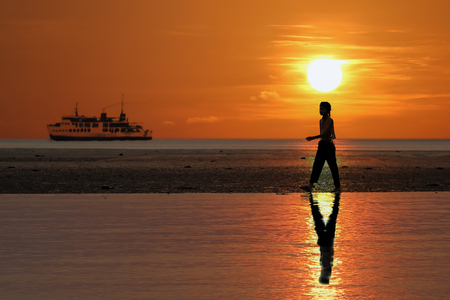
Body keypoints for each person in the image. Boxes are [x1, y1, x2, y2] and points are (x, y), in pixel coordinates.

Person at [302, 102, 341, 193]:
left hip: (328, 146)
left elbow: (325, 133)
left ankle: (338, 187)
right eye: (320, 109)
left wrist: (313, 137)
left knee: (333, 167)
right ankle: (310, 186)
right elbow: (326, 134)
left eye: (322, 109)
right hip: (322, 145)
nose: (320, 110)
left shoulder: (330, 120)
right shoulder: (320, 121)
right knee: (317, 165)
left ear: (327, 110)